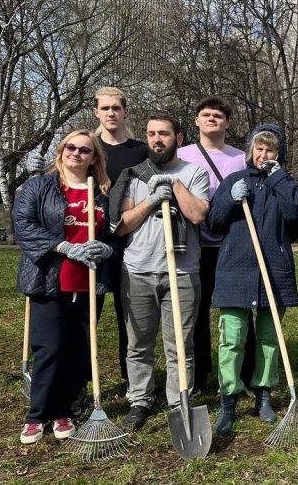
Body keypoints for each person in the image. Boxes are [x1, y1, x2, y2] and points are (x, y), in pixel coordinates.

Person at [206, 123, 298, 435]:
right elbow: (213, 221)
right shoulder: (234, 180)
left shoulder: (285, 184)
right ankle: (228, 400)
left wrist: (279, 179)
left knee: (269, 339)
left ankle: (263, 395)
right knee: (232, 339)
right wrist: (228, 200)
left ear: (279, 155)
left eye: (271, 150)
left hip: (274, 272)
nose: (263, 154)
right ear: (251, 151)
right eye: (259, 148)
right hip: (235, 271)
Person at [110, 115, 210, 431]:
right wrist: (152, 200)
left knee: (180, 344)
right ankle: (140, 400)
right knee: (138, 343)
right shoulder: (133, 175)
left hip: (181, 272)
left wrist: (175, 185)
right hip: (138, 270)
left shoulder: (194, 173)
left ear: (178, 138)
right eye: (151, 133)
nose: (156, 139)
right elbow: (122, 224)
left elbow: (196, 215)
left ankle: (178, 401)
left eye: (163, 134)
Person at [13, 130, 113, 444]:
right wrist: (63, 247)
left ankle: (63, 410)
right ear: (62, 150)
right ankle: (36, 415)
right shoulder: (40, 186)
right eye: (71, 147)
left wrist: (108, 248)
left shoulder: (101, 193)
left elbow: (112, 233)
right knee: (50, 348)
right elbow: (23, 223)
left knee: (79, 350)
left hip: (88, 282)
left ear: (94, 157)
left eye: (85, 150)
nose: (77, 154)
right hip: (48, 280)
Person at [177, 96, 247, 393]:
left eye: (218, 115)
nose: (211, 119)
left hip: (231, 245)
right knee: (197, 309)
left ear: (227, 123)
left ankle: (240, 373)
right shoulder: (182, 154)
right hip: (193, 244)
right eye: (205, 114)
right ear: (196, 120)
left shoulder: (240, 158)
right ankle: (201, 372)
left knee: (236, 308)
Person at [93, 87, 148, 384]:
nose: (111, 113)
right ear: (97, 113)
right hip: (94, 241)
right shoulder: (88, 147)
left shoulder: (140, 151)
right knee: (90, 315)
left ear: (125, 111)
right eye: (105, 108)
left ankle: (132, 380)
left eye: (116, 108)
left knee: (129, 317)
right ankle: (81, 381)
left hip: (132, 241)